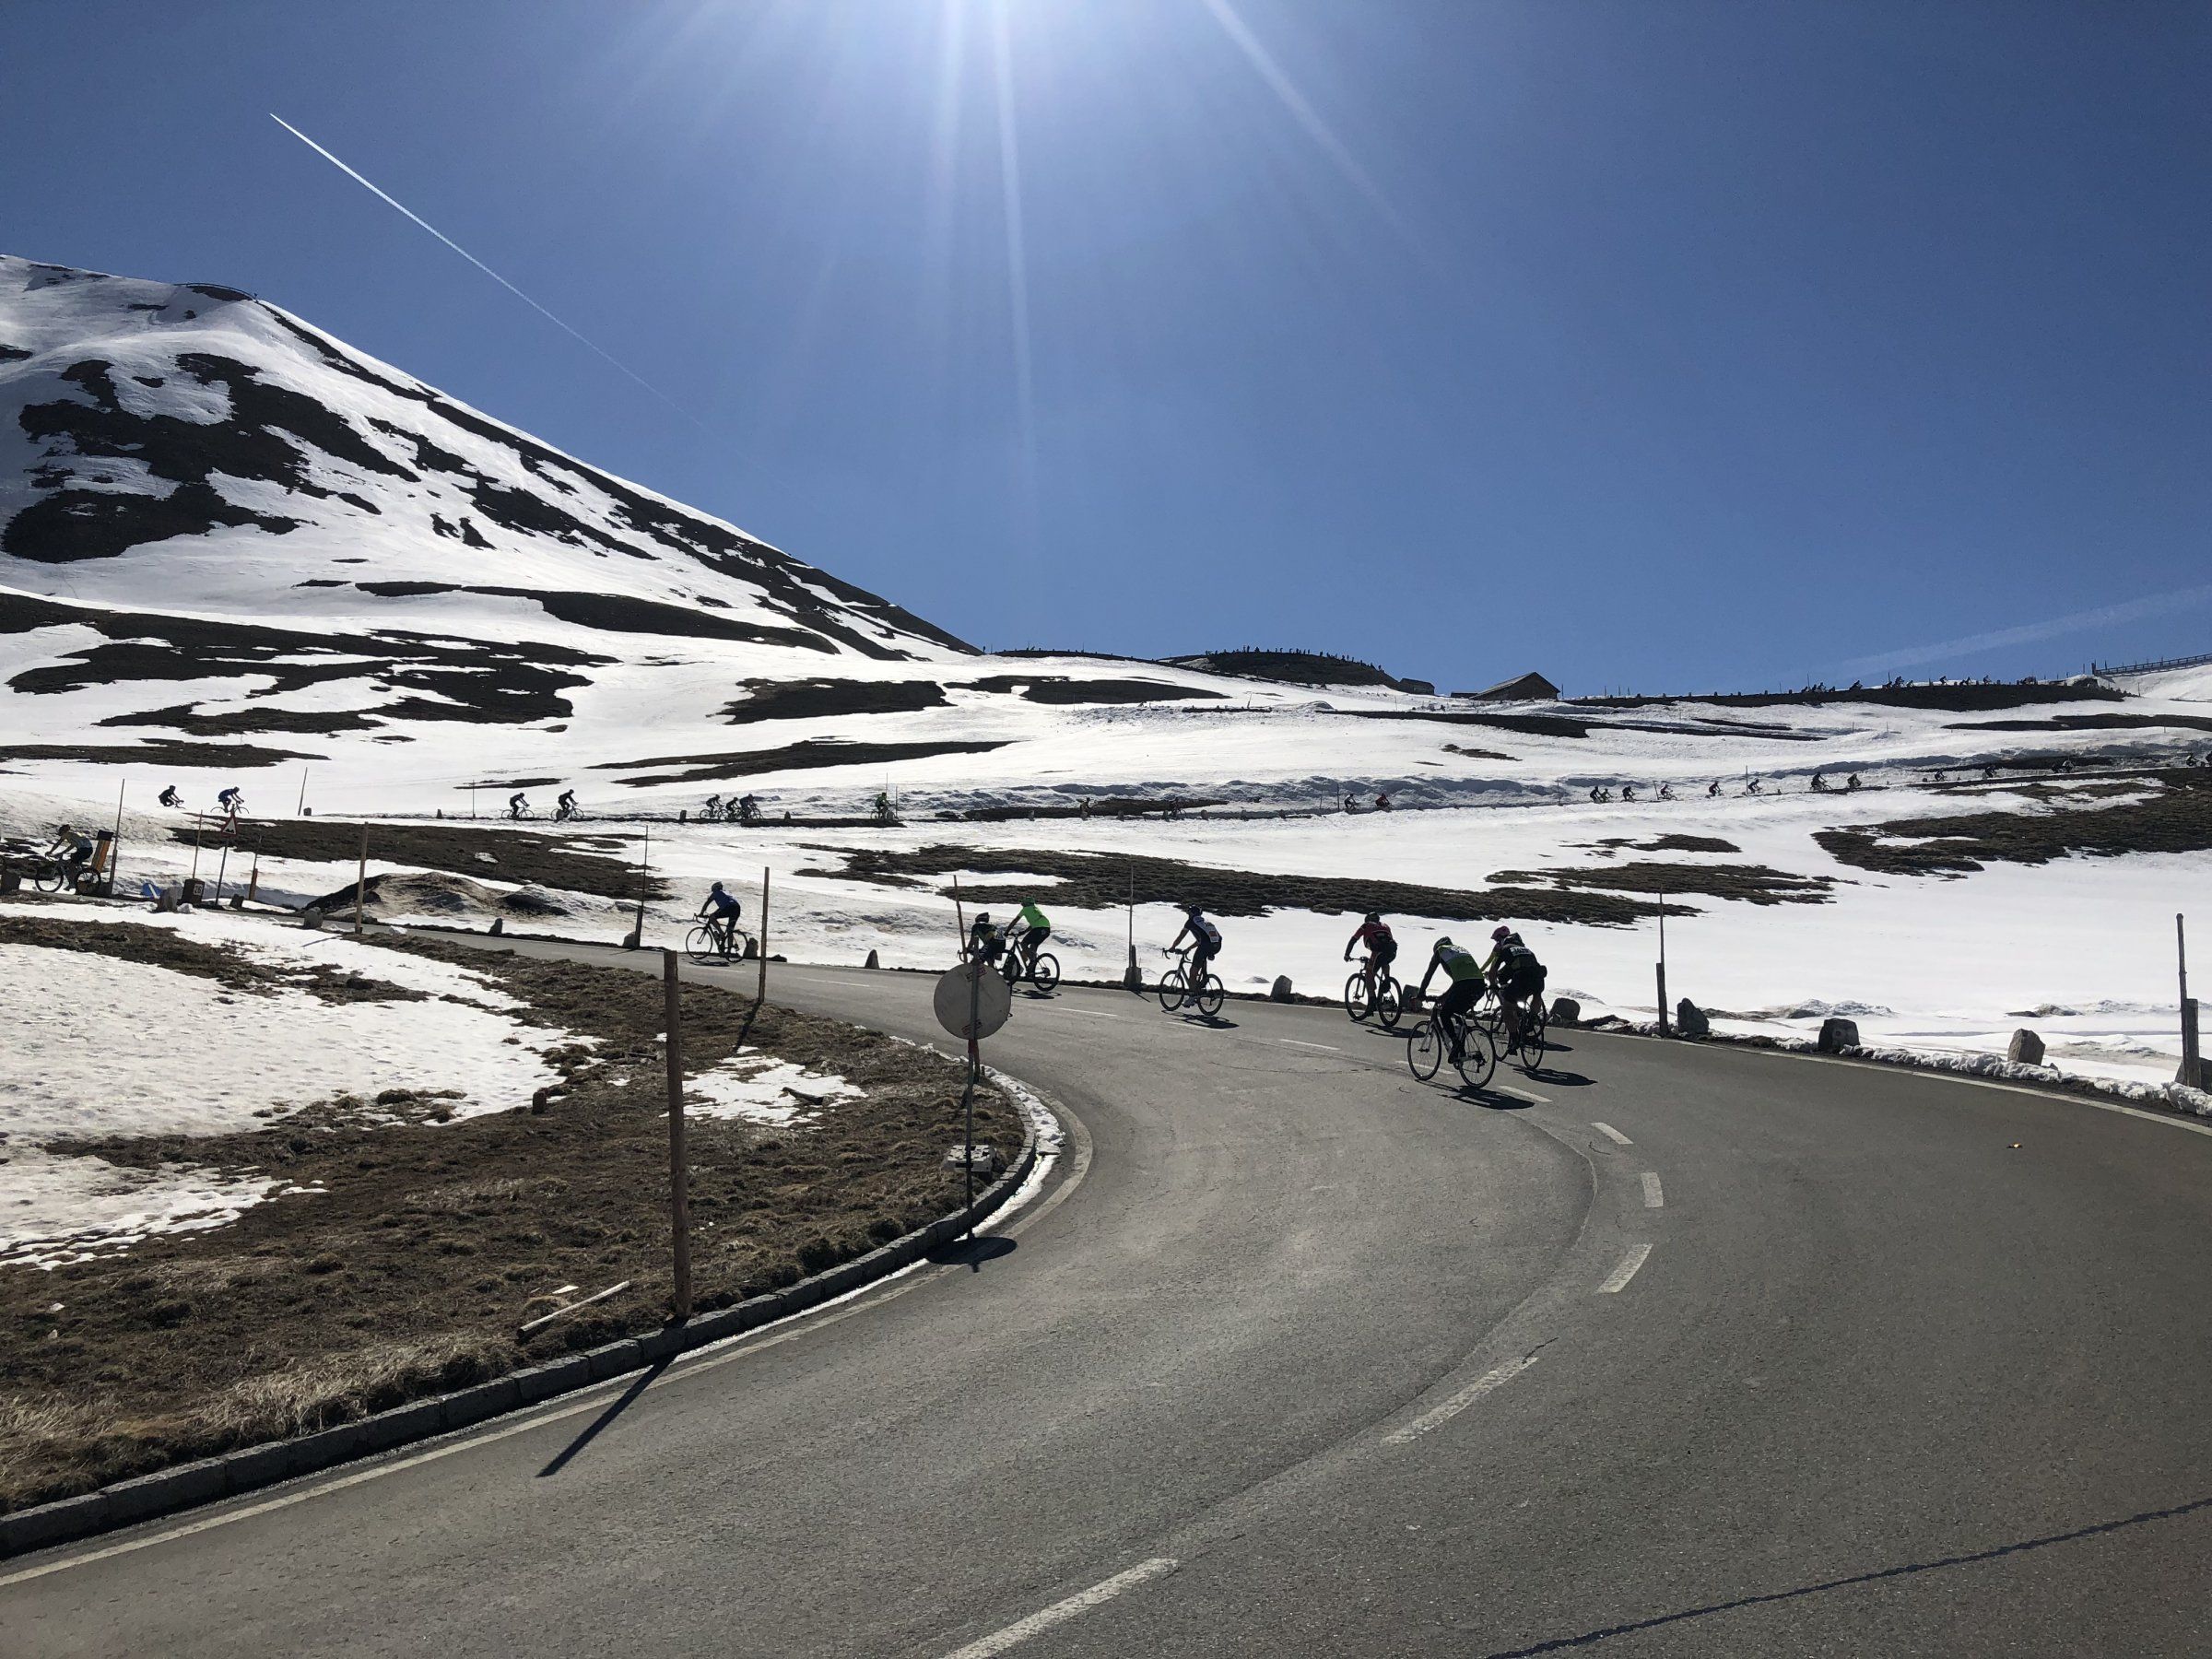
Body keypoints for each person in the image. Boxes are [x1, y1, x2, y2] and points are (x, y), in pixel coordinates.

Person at [1415, 935, 1487, 1064]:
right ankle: (1460, 1052)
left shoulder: (1440, 951)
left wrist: (1421, 993)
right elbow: (1458, 981)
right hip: (1480, 985)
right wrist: (1444, 996)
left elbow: (1429, 974)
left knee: (1444, 1014)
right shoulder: (1461, 949)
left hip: (1464, 985)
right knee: (1458, 1012)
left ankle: (1456, 1044)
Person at [1483, 925, 1547, 1049]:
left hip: (1521, 977)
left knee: (1507, 1008)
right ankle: (1531, 1018)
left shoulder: (1504, 949)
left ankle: (1514, 1039)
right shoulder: (1528, 950)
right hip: (1538, 976)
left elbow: (1493, 972)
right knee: (1537, 993)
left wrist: (1493, 985)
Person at [1170, 904, 1222, 994]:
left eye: (1188, 913)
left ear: (1191, 913)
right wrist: (1188, 948)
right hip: (1217, 945)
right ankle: (1204, 977)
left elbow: (1181, 936)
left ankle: (1193, 995)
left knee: (1192, 972)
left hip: (1206, 945)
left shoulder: (1191, 921)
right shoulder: (1205, 922)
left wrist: (1173, 947)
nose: (1188, 915)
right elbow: (1200, 940)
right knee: (1202, 957)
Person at [1345, 912, 1396, 994]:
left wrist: (1347, 954)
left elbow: (1354, 939)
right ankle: (1387, 980)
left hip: (1377, 952)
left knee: (1369, 974)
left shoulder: (1366, 926)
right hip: (1392, 951)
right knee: (1384, 961)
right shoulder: (1385, 926)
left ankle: (1372, 999)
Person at [1006, 900, 1052, 979]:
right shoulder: (1035, 909)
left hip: (1038, 929)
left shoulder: (1026, 909)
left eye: (1023, 904)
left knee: (1024, 944)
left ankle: (1033, 961)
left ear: (1026, 904)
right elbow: (1035, 923)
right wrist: (1024, 932)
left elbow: (1015, 920)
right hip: (1046, 930)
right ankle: (1031, 970)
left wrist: (1007, 931)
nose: (1022, 906)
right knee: (1033, 946)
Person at [698, 881, 744, 951]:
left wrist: (701, 913)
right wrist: (714, 913)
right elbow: (723, 907)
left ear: (715, 889)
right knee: (730, 930)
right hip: (737, 908)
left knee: (712, 917)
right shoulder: (726, 892)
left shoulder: (716, 893)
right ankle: (729, 951)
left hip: (729, 908)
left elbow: (707, 903)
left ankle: (721, 934)